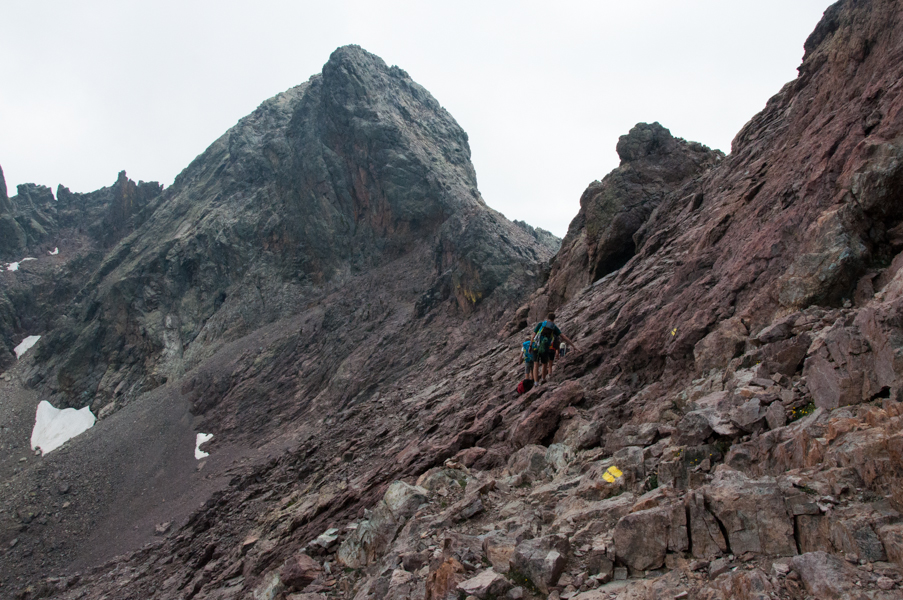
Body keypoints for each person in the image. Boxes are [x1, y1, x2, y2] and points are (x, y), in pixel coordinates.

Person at [532, 312, 580, 383]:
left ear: (547, 317)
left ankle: (535, 382)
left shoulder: (541, 324)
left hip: (536, 346)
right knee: (544, 364)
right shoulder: (554, 327)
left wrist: (530, 345)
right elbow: (563, 337)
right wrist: (574, 346)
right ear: (554, 319)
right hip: (546, 348)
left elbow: (533, 336)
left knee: (535, 364)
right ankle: (543, 379)